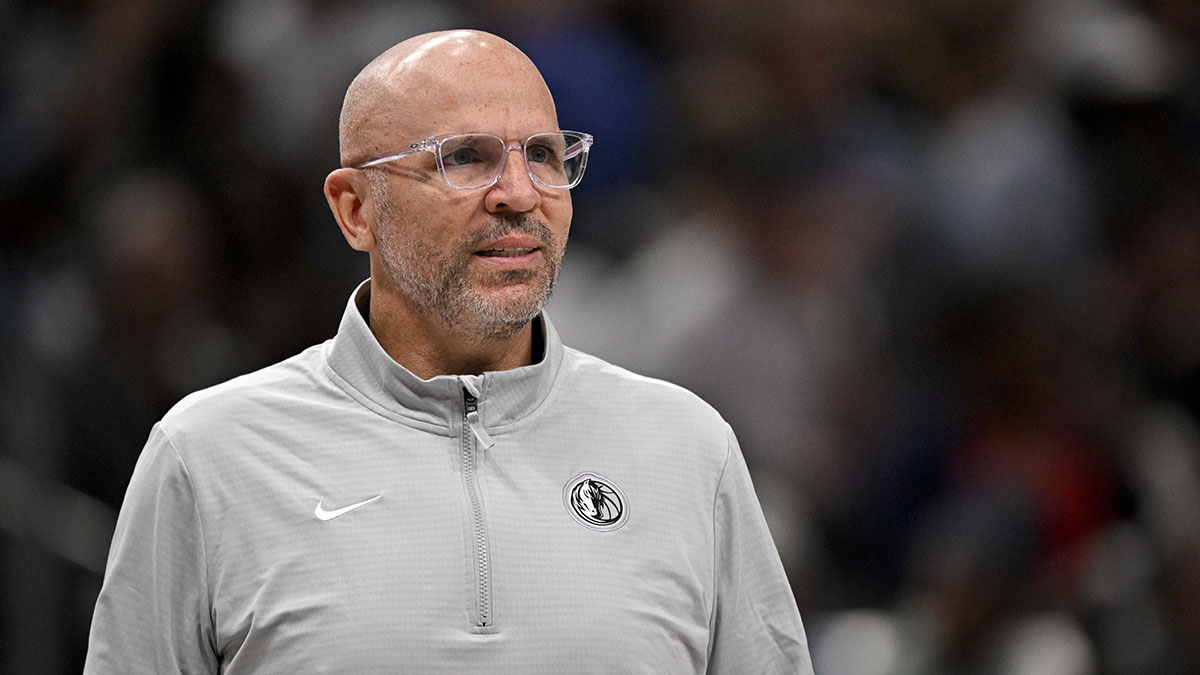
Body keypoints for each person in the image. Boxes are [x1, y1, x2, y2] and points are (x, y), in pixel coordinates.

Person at [83, 29, 814, 673]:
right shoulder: (208, 455)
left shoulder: (687, 448)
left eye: (544, 155)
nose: (519, 193)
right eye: (465, 159)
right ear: (355, 209)